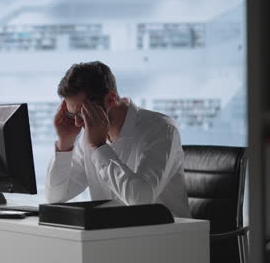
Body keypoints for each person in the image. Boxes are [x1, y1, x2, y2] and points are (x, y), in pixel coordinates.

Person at [45, 61, 191, 218]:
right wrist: (65, 143)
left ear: (110, 99)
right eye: (71, 115)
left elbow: (141, 200)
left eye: (82, 114)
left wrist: (99, 147)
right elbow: (55, 197)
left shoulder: (160, 129)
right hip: (115, 236)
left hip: (165, 236)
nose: (77, 123)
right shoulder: (87, 137)